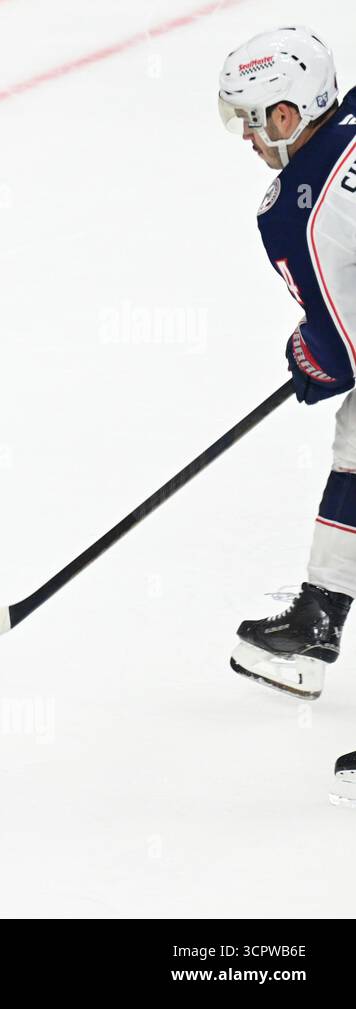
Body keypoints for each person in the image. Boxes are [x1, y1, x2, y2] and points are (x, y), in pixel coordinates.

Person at [218, 28, 356, 703]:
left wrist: (309, 355)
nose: (246, 138)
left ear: (285, 114)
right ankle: (318, 619)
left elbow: (341, 352)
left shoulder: (298, 212)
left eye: (251, 121)